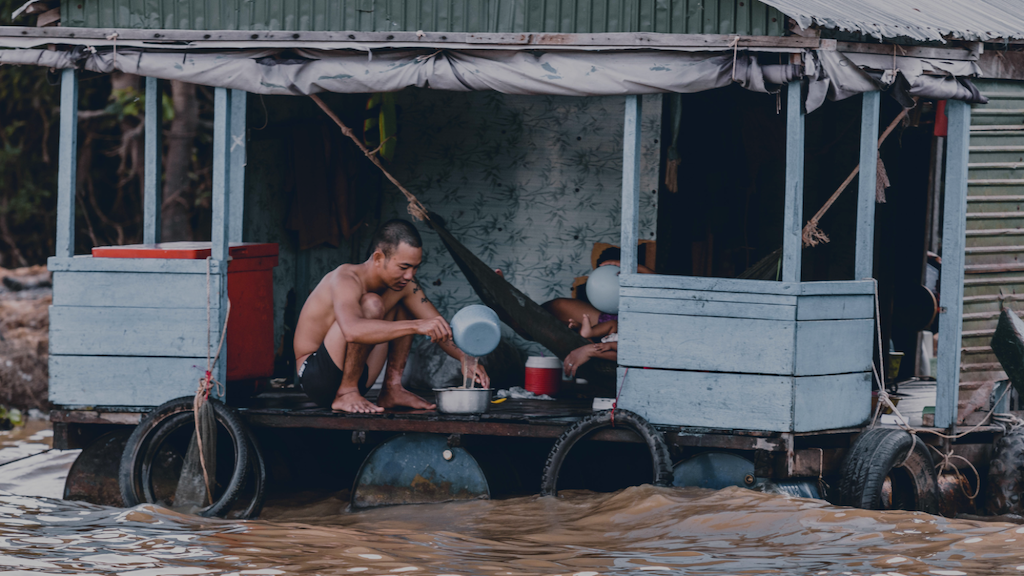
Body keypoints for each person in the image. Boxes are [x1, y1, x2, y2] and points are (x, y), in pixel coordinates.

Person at [294, 219, 490, 414]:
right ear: (379, 258)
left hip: (360, 376)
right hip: (316, 376)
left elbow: (438, 326)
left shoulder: (405, 285)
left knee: (405, 300)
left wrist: (465, 359)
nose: (410, 275)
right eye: (404, 267)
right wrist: (415, 326)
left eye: (415, 267)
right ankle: (347, 391)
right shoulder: (346, 278)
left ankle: (392, 388)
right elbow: (352, 331)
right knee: (372, 304)